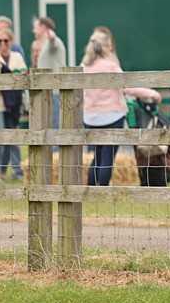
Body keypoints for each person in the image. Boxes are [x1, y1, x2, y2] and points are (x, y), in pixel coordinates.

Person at [81, 30, 160, 186]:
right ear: (106, 47)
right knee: (108, 157)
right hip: (111, 116)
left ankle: (91, 189)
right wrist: (151, 93)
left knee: (97, 155)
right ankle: (101, 191)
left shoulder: (84, 66)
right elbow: (127, 87)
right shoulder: (111, 66)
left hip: (91, 117)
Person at [0, 29, 27, 180]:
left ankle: (4, 171)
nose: (2, 44)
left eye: (5, 41)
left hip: (13, 104)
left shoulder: (17, 56)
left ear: (11, 41)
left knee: (11, 138)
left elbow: (22, 75)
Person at [31, 16, 67, 131]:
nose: (33, 31)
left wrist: (52, 37)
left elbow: (53, 43)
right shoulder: (43, 45)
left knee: (54, 126)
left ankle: (55, 149)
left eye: (35, 27)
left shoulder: (52, 42)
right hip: (48, 92)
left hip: (55, 92)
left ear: (43, 27)